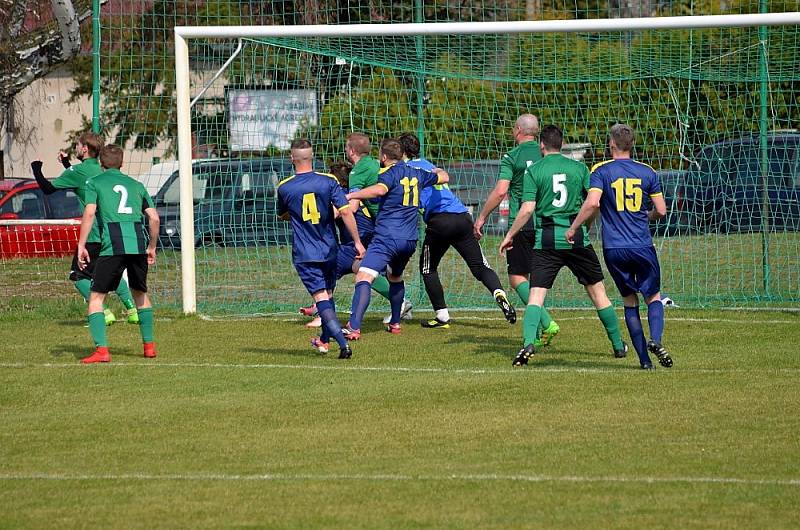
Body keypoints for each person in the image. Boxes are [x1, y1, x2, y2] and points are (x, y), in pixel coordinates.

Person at [499, 125, 627, 367]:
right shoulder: (579, 168)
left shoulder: (535, 171)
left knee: (536, 296)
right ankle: (618, 345)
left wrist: (510, 235)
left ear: (542, 145)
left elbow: (527, 209)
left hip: (546, 239)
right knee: (598, 293)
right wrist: (584, 226)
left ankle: (528, 342)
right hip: (576, 238)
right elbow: (595, 203)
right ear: (561, 143)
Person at [566, 124, 673, 369]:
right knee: (653, 296)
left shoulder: (601, 170)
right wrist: (647, 216)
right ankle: (655, 340)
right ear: (632, 144)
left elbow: (592, 203)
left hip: (614, 248)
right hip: (642, 245)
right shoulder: (647, 172)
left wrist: (574, 227)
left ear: (611, 144)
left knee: (629, 300)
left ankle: (645, 362)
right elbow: (661, 210)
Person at [397, 132, 515, 328]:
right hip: (462, 217)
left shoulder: (404, 170)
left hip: (439, 221)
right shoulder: (428, 164)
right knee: (480, 266)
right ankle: (498, 293)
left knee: (428, 268)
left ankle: (442, 315)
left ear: (401, 152)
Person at [343, 138, 448, 339]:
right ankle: (395, 322)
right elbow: (444, 177)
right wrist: (434, 172)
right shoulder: (418, 174)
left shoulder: (388, 174)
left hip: (387, 237)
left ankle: (354, 327)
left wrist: (352, 196)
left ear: (383, 157)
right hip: (409, 240)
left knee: (364, 276)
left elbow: (380, 190)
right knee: (395, 277)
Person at [31, 132, 139, 325]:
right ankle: (132, 310)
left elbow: (48, 188)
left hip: (93, 234)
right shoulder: (103, 167)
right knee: (111, 273)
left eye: (78, 145)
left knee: (78, 276)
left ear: (85, 149)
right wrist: (66, 164)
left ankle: (103, 313)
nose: (76, 147)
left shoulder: (79, 172)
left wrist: (36, 168)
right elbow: (82, 179)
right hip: (112, 231)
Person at [473, 114, 559, 346]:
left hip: (521, 224)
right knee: (535, 280)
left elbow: (501, 191)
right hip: (544, 223)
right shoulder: (546, 154)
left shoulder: (512, 156)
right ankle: (543, 326)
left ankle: (547, 322)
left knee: (516, 278)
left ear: (519, 130)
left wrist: (481, 217)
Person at [277, 139, 365, 359]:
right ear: (312, 156)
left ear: (291, 158)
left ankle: (343, 344)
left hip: (306, 253)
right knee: (328, 294)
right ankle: (324, 341)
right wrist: (357, 242)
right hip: (329, 249)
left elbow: (285, 215)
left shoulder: (285, 187)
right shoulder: (328, 181)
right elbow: (345, 212)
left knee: (321, 299)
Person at [76, 145, 160, 364]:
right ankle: (149, 347)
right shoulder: (137, 185)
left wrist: (81, 245)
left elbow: (90, 212)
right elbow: (154, 218)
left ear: (101, 164)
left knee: (96, 298)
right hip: (137, 244)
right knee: (140, 294)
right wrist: (151, 246)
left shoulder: (94, 182)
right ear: (122, 163)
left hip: (112, 246)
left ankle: (102, 351)